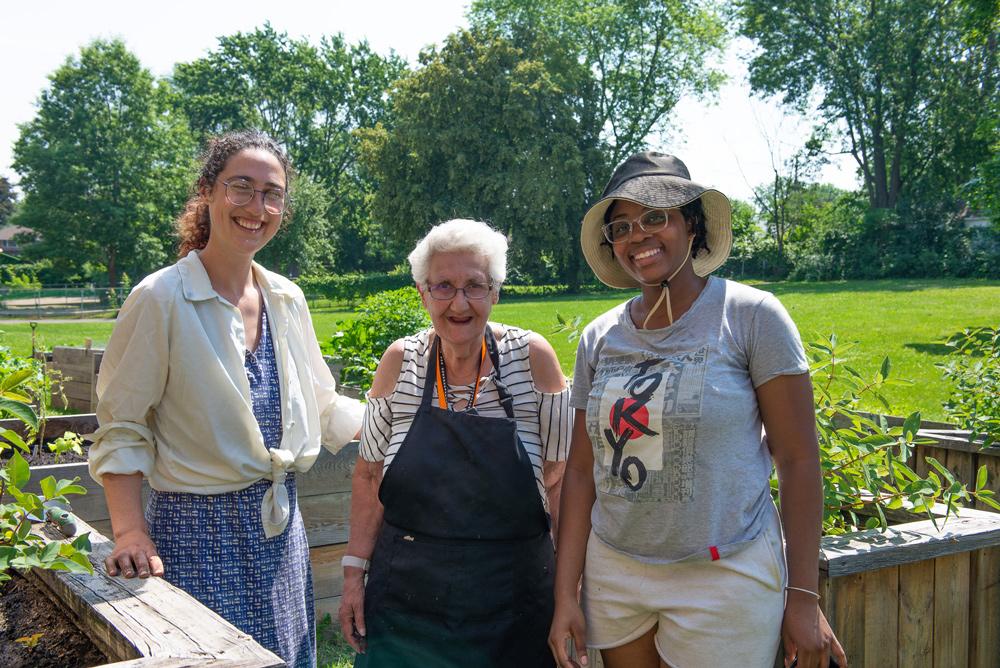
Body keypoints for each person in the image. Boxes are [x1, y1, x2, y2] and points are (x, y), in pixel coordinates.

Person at [547, 152, 848, 668]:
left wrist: (803, 596)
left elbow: (798, 460)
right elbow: (579, 471)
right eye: (621, 226)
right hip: (616, 572)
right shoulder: (600, 337)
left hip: (724, 573)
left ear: (693, 225)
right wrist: (565, 594)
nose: (637, 235)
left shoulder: (751, 317)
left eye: (656, 217)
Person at [88, 129, 365, 668]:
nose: (257, 206)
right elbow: (122, 425)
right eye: (241, 186)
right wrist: (128, 531)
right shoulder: (160, 298)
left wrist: (406, 421)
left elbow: (323, 405)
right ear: (207, 193)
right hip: (194, 537)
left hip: (280, 536)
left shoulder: (287, 298)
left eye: (272, 193)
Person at [338, 219, 572, 667]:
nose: (459, 302)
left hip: (513, 594)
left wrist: (569, 592)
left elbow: (560, 481)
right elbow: (369, 476)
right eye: (443, 286)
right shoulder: (400, 361)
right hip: (407, 594)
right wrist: (352, 576)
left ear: (495, 293)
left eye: (475, 286)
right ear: (423, 294)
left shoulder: (533, 358)